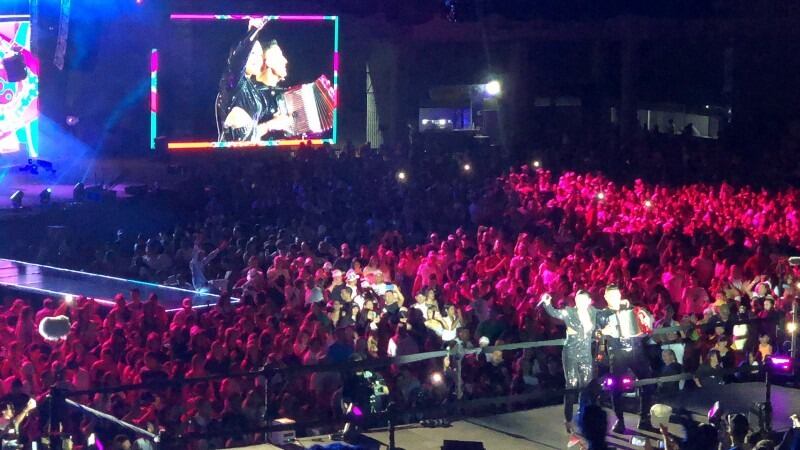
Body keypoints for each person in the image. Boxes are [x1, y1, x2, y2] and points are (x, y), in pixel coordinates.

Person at [216, 18, 291, 142]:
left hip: (249, 155)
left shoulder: (254, 90)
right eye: (253, 54)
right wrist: (252, 31)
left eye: (260, 55)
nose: (258, 59)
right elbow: (238, 59)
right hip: (231, 158)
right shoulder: (232, 82)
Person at [541, 290, 604, 432]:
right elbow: (556, 313)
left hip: (586, 353)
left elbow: (606, 314)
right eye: (577, 299)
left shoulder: (594, 312)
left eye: (583, 299)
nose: (580, 302)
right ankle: (568, 419)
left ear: (589, 301)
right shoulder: (569, 312)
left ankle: (586, 415)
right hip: (571, 352)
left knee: (588, 385)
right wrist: (547, 304)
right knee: (572, 384)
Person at [600, 284, 656, 433]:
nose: (615, 298)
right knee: (616, 388)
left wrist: (643, 321)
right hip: (617, 353)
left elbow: (646, 327)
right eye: (611, 296)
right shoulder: (603, 314)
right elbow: (597, 332)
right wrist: (604, 331)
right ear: (606, 298)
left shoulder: (630, 308)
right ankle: (620, 420)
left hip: (636, 350)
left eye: (617, 295)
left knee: (648, 383)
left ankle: (644, 418)